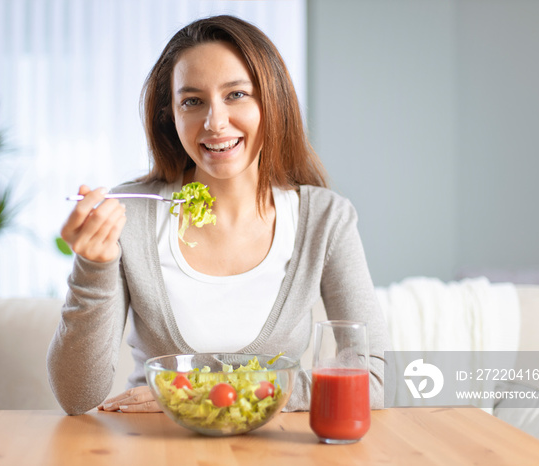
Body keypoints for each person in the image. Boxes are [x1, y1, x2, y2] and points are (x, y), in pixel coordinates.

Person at [47, 14, 390, 415]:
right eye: (192, 101)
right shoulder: (131, 215)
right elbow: (76, 397)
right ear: (169, 117)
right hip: (151, 448)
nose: (215, 122)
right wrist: (92, 268)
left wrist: (198, 391)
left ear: (272, 101)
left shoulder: (325, 219)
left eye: (236, 95)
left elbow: (373, 383)